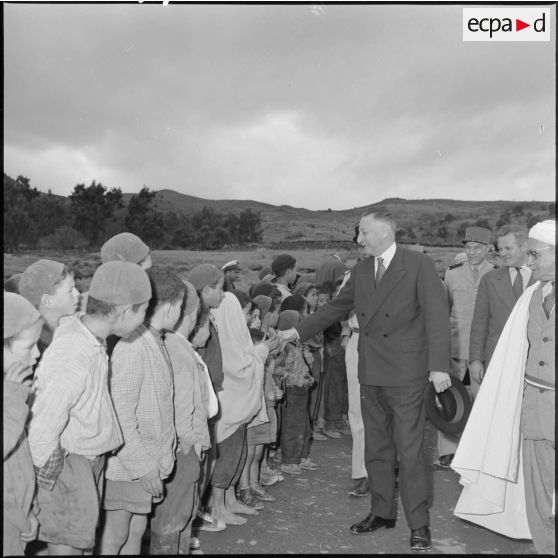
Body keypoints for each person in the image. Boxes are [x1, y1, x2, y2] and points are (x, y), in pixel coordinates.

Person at [278, 208, 451, 551]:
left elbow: (436, 317)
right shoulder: (360, 270)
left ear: (385, 232)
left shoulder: (418, 265)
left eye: (364, 234)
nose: (359, 240)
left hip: (407, 375)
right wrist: (294, 331)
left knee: (411, 451)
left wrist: (440, 366)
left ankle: (418, 524)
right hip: (371, 371)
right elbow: (335, 309)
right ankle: (382, 512)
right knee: (376, 447)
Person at [28, 261, 151, 555]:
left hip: (87, 462)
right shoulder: (73, 353)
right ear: (123, 311)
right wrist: (50, 488)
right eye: (144, 309)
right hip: (68, 465)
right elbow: (41, 431)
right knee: (69, 550)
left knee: (82, 547)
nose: (146, 317)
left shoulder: (89, 334)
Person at [452, 219, 555, 555]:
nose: (530, 259)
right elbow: (487, 327)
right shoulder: (530, 293)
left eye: (535, 253)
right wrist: (476, 360)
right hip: (526, 405)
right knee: (536, 487)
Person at [100, 267, 185, 555]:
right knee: (117, 533)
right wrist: (143, 467)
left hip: (147, 462)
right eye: (182, 307)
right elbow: (120, 415)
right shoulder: (133, 346)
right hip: (130, 465)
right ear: (171, 307)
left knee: (136, 530)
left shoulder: (153, 340)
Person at [152, 280, 219, 554]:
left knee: (182, 513)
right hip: (185, 448)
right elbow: (181, 405)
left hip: (184, 445)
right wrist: (192, 443)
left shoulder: (173, 346)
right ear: (191, 314)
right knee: (174, 516)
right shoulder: (179, 351)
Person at [434, 226, 494, 469]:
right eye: (468, 247)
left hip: (483, 351)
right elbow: (443, 310)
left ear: (488, 249)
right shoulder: (452, 274)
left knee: (482, 402)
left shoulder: (497, 274)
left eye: (477, 247)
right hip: (455, 346)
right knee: (449, 399)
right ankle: (448, 451)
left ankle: (478, 452)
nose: (471, 252)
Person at [3, 293, 42, 556]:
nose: (37, 354)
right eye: (29, 346)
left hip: (15, 520)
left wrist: (31, 510)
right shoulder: (12, 398)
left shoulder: (12, 392)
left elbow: (20, 460)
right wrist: (14, 402)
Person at [469, 225, 533, 383]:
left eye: (508, 248)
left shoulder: (544, 278)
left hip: (533, 362)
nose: (502, 253)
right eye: (500, 248)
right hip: (498, 360)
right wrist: (476, 359)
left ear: (525, 246)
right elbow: (479, 323)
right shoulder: (489, 279)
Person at [339, 226, 369, 497]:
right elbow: (339, 307)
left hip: (393, 346)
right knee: (357, 409)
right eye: (359, 244)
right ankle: (361, 472)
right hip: (360, 341)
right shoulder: (353, 276)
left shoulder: (401, 272)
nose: (363, 247)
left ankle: (386, 466)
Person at [274, 310, 317, 476]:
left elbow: (305, 365)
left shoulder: (298, 343)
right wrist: (295, 377)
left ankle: (302, 455)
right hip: (292, 389)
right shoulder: (283, 346)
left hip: (302, 388)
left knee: (305, 425)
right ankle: (289, 460)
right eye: (298, 322)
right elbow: (277, 369)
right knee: (293, 425)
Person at [19, 259, 80, 353]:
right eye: (70, 291)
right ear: (47, 301)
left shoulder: (73, 325)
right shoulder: (34, 350)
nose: (77, 294)